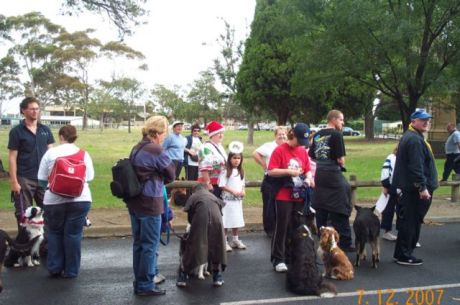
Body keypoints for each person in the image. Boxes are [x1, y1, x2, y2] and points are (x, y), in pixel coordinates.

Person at [125, 115, 176, 296]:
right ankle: (146, 284)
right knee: (149, 245)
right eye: (164, 133)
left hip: (135, 202)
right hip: (150, 201)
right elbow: (171, 174)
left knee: (138, 244)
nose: (165, 136)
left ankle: (139, 281)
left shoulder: (137, 147)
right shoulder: (156, 150)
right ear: (158, 132)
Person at [37, 125, 94, 278]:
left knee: (54, 232)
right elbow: (89, 178)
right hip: (80, 199)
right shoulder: (84, 154)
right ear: (75, 137)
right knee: (73, 234)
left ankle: (55, 267)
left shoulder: (51, 153)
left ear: (61, 136)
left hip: (54, 200)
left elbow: (41, 180)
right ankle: (71, 270)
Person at [392, 109, 438, 266]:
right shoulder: (414, 140)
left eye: (428, 119)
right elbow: (416, 167)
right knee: (411, 222)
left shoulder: (413, 137)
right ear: (413, 121)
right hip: (414, 190)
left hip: (410, 189)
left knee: (409, 221)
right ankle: (405, 255)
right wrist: (422, 187)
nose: (426, 122)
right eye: (422, 119)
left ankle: (402, 253)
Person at [267, 123, 314, 273]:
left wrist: (308, 178)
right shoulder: (279, 150)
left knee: (296, 226)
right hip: (283, 194)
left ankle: (292, 254)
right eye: (299, 140)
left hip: (298, 194)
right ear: (292, 135)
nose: (301, 144)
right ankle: (278, 259)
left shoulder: (302, 151)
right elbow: (271, 171)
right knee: (282, 226)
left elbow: (307, 170)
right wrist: (288, 172)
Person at [309, 110, 354, 252]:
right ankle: (345, 243)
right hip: (333, 174)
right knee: (340, 207)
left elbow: (311, 155)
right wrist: (341, 164)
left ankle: (323, 240)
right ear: (334, 119)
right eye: (341, 120)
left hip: (320, 174)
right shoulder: (336, 134)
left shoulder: (317, 134)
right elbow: (341, 159)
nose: (343, 123)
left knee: (321, 208)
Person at [8, 97, 55, 226]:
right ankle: (25, 243)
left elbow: (52, 155)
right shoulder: (16, 132)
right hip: (24, 178)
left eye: (37, 109)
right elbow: (12, 157)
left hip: (43, 179)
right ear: (23, 110)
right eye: (32, 109)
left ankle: (45, 243)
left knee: (49, 211)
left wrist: (53, 177)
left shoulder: (45, 130)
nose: (35, 111)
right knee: (24, 214)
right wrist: (14, 182)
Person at [177, 183, 227, 287]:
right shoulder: (213, 196)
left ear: (194, 190)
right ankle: (217, 277)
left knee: (193, 246)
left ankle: (183, 275)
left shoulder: (193, 196)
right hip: (217, 221)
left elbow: (189, 213)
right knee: (216, 246)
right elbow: (221, 208)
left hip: (200, 220)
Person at [252, 126, 287, 236]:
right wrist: (264, 165)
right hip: (271, 180)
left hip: (285, 178)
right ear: (275, 135)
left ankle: (281, 228)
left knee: (282, 205)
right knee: (269, 206)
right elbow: (255, 153)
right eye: (279, 134)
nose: (282, 136)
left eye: (284, 134)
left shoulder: (288, 146)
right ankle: (270, 230)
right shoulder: (269, 146)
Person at [219, 141, 246, 252]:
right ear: (230, 159)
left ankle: (235, 239)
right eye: (234, 158)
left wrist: (243, 191)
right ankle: (224, 241)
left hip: (237, 201)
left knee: (236, 219)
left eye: (238, 158)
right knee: (226, 220)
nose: (236, 160)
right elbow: (222, 185)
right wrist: (232, 191)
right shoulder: (226, 171)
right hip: (227, 201)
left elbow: (242, 183)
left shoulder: (241, 171)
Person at [198, 121, 227, 198]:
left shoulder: (219, 146)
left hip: (220, 182)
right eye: (219, 133)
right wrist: (208, 183)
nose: (221, 135)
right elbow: (204, 168)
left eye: (222, 133)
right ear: (212, 134)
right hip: (211, 184)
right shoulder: (205, 147)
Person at [380, 146, 399, 241]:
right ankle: (387, 232)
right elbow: (385, 171)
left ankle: (401, 231)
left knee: (400, 210)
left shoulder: (402, 158)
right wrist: (386, 186)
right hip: (392, 187)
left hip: (400, 187)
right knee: (389, 209)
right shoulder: (391, 157)